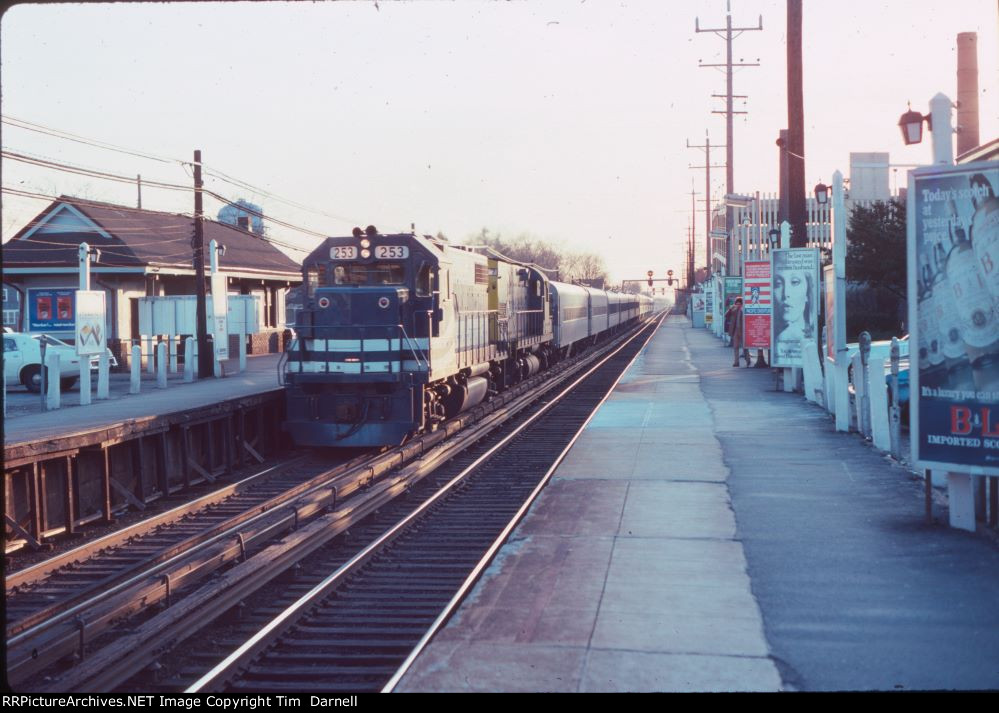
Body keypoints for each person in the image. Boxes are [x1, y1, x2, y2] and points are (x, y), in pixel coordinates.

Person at [773, 259, 815, 363]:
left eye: (795, 282)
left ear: (807, 292)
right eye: (778, 284)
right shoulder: (780, 339)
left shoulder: (812, 333)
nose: (786, 293)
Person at [725, 297, 750, 367]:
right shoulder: (733, 310)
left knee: (745, 346)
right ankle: (736, 362)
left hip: (743, 331)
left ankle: (748, 360)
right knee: (735, 347)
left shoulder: (744, 310)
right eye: (737, 304)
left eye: (740, 304)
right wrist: (731, 308)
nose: (738, 305)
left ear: (742, 304)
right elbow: (726, 315)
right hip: (735, 331)